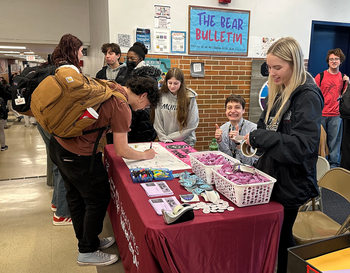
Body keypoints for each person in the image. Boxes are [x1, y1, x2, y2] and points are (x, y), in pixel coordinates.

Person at [48, 34, 160, 267]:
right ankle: (87, 251)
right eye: (147, 104)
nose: (144, 108)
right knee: (98, 199)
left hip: (58, 145)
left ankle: (88, 242)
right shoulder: (123, 107)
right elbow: (121, 150)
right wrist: (145, 155)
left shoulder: (113, 87)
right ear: (143, 95)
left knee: (77, 198)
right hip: (77, 155)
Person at [243, 37, 324, 273]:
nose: (272, 72)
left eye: (278, 67)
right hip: (272, 174)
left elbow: (302, 146)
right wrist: (257, 136)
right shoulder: (278, 90)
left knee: (283, 238)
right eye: (269, 67)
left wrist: (262, 138)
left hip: (293, 181)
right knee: (271, 235)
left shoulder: (307, 96)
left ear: (294, 64)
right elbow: (264, 124)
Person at [99, 41, 157, 144]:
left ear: (140, 59)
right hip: (126, 116)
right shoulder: (128, 72)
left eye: (132, 58)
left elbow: (143, 104)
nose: (129, 61)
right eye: (127, 58)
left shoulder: (147, 77)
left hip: (140, 121)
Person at [314, 48, 349, 168]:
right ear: (328, 61)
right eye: (331, 59)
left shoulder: (344, 78)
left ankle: (334, 166)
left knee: (335, 142)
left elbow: (345, 97)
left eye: (336, 59)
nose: (334, 61)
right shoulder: (320, 76)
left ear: (340, 61)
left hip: (336, 115)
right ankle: (321, 164)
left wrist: (348, 84)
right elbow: (313, 94)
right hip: (321, 114)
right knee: (320, 142)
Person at [154, 67, 199, 146]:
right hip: (165, 140)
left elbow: (192, 123)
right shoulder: (161, 95)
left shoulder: (189, 97)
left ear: (181, 82)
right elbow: (157, 120)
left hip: (185, 141)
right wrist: (164, 137)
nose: (172, 86)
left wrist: (171, 137)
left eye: (176, 83)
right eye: (170, 83)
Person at [214, 94, 257, 166]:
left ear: (243, 110)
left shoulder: (253, 130)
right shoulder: (222, 128)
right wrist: (220, 141)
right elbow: (227, 158)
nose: (233, 111)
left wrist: (239, 143)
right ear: (225, 111)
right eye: (229, 108)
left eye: (237, 107)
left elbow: (249, 163)